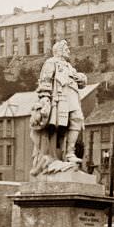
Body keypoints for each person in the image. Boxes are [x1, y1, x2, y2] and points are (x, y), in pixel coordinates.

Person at [30, 39, 88, 176]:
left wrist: (82, 79)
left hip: (73, 98)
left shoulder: (70, 67)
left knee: (77, 119)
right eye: (66, 48)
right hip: (60, 99)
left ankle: (70, 153)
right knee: (59, 128)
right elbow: (45, 80)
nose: (69, 51)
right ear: (60, 50)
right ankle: (52, 156)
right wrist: (45, 99)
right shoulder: (51, 62)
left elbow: (81, 83)